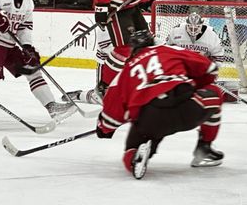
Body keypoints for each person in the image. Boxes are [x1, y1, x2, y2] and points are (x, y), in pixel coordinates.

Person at [96, 29, 224, 179]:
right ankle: (204, 149)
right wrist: (196, 84)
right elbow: (210, 69)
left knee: (133, 144)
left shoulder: (125, 71)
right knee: (214, 92)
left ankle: (134, 156)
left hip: (149, 117)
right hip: (184, 106)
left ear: (133, 50)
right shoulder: (168, 50)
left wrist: (104, 129)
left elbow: (112, 113)